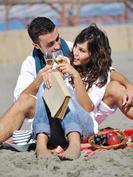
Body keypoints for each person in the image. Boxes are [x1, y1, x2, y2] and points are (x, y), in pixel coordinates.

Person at [0, 17, 133, 144]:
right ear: (36, 45)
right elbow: (19, 101)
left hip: (80, 113)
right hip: (50, 120)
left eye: (57, 38)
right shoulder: (30, 64)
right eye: (50, 44)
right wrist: (38, 81)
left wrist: (128, 85)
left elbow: (105, 69)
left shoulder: (70, 49)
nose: (57, 46)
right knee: (26, 99)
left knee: (116, 87)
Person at [32, 23, 133, 159]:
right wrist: (54, 76)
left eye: (82, 51)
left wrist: (75, 76)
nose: (76, 53)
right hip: (60, 130)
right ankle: (41, 145)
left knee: (66, 91)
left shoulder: (101, 76)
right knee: (47, 83)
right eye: (76, 47)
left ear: (94, 55)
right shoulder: (66, 62)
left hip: (84, 128)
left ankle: (75, 145)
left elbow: (88, 107)